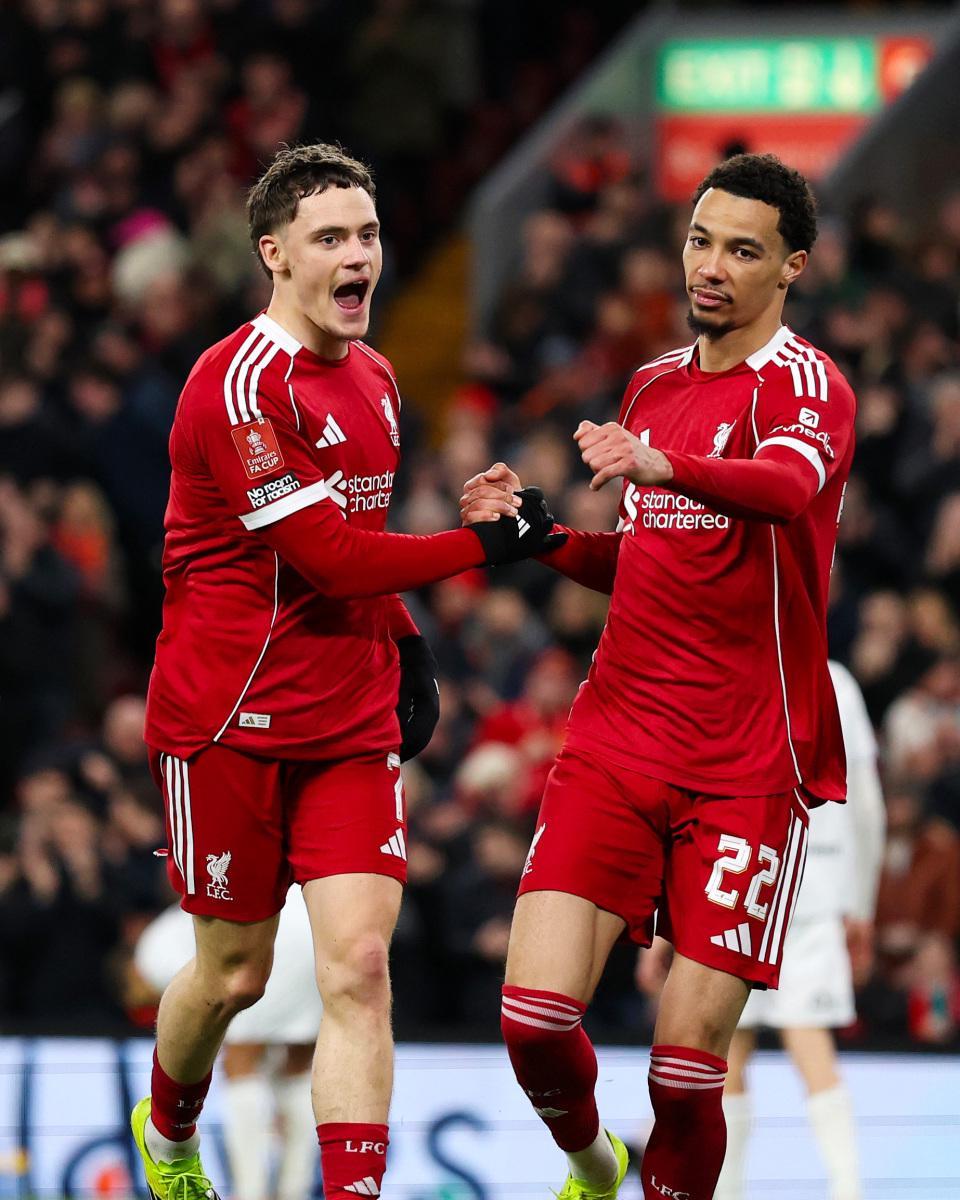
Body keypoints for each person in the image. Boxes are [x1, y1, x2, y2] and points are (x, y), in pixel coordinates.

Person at [130, 141, 558, 1200]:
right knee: (233, 976)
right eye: (330, 238)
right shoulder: (236, 389)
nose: (358, 255)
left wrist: (403, 637)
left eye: (366, 234)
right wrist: (482, 548)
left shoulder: (376, 377)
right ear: (274, 253)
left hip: (347, 717)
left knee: (360, 970)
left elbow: (358, 547)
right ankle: (169, 1133)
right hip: (227, 717)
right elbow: (325, 557)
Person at [460, 153, 856, 1200]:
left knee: (685, 1076)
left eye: (743, 250)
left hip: (747, 763)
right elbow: (648, 553)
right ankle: (596, 1165)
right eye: (700, 240)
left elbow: (782, 488)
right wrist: (543, 536)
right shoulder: (652, 386)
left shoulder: (810, 387)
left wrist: (663, 464)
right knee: (532, 1021)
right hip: (618, 739)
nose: (711, 266)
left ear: (792, 267)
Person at [637, 661, 885, 1200]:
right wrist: (860, 903)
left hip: (741, 879)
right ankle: (847, 1189)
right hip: (812, 881)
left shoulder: (729, 666)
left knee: (725, 1047)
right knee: (801, 1039)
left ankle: (731, 1192)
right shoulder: (837, 681)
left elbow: (687, 797)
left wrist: (663, 922)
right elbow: (866, 804)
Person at [133, 891, 322, 1200]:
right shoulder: (170, 929)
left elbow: (196, 993)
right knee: (298, 1066)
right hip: (312, 925)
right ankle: (295, 1190)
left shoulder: (154, 950)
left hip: (265, 935)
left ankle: (250, 1191)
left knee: (241, 1063)